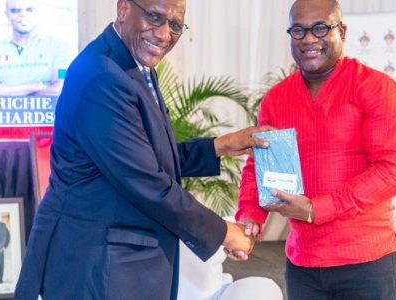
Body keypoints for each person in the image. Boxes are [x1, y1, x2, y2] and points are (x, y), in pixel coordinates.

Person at [14, 0, 272, 299]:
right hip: (98, 267)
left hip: (115, 264)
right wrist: (225, 233)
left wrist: (221, 146)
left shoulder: (132, 62)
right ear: (124, 9)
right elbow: (148, 182)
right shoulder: (104, 76)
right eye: (154, 17)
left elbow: (148, 157)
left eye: (175, 24)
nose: (164, 34)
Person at [231, 0, 396, 299]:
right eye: (298, 30)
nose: (309, 39)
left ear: (341, 31)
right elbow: (259, 164)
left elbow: (393, 172)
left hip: (366, 261)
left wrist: (318, 209)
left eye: (319, 28)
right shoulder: (276, 99)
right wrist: (250, 217)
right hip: (303, 262)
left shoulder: (376, 87)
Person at [0, 0, 74, 96]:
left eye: (30, 9)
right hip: (3, 113)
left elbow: (62, 87)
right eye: (15, 10)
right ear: (7, 15)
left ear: (39, 12)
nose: (23, 14)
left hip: (48, 113)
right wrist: (40, 85)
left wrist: (2, 91)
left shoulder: (60, 48)